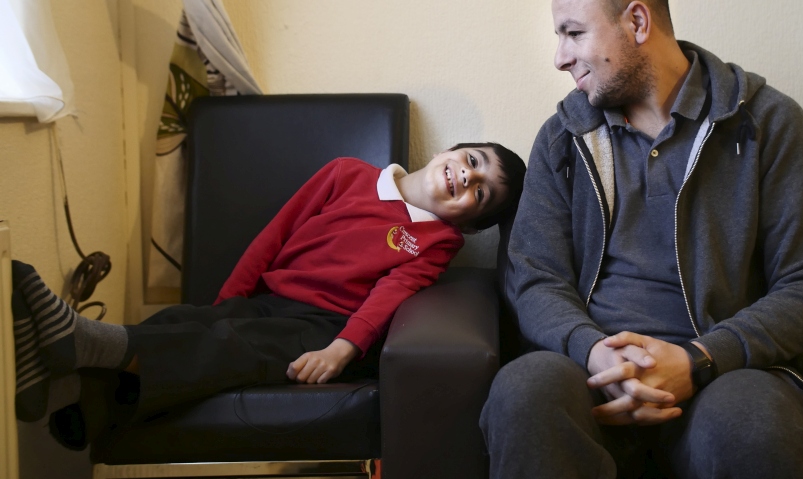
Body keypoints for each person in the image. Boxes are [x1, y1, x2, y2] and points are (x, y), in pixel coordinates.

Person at [480, 0, 803, 479]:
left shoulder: (768, 125)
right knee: (524, 390)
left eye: (574, 32)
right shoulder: (563, 138)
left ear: (638, 22)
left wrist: (699, 359)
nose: (560, 57)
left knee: (752, 426)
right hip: (590, 378)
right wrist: (595, 351)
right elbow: (534, 280)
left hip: (725, 374)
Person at [12, 142, 526, 448]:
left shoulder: (437, 242)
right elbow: (275, 236)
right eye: (473, 160)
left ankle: (78, 348)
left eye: (480, 192)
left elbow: (393, 292)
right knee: (183, 324)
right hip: (270, 297)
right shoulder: (346, 173)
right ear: (447, 151)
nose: (468, 176)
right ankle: (65, 392)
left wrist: (342, 348)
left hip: (321, 326)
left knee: (234, 346)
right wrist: (224, 304)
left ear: (470, 221)